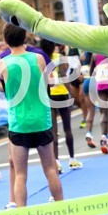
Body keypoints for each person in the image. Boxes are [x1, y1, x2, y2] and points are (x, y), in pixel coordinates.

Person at [0, 24, 69, 215]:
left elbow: (2, 87)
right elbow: (49, 81)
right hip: (41, 119)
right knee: (50, 169)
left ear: (5, 40)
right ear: (25, 37)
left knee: (20, 174)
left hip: (19, 122)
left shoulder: (2, 63)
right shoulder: (38, 58)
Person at [40, 39, 82, 171]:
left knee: (53, 131)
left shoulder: (40, 59)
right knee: (67, 128)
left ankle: (56, 161)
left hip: (48, 95)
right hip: (62, 94)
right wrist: (71, 94)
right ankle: (72, 159)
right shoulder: (60, 58)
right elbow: (64, 77)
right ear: (53, 47)